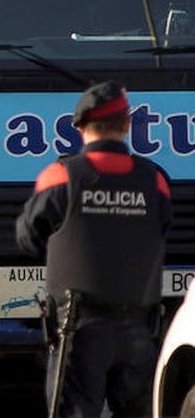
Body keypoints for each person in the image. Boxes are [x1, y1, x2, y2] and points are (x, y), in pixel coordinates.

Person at [16, 81, 171, 418]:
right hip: (139, 332)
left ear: (80, 127)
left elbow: (28, 238)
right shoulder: (153, 179)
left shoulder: (61, 177)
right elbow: (161, 228)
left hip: (79, 331)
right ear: (127, 126)